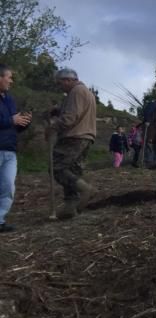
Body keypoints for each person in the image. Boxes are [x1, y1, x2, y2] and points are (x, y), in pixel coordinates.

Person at [49, 68, 97, 219]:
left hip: (74, 136)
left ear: (68, 80)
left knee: (57, 168)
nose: (59, 86)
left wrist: (52, 126)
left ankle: (85, 189)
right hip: (86, 136)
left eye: (60, 83)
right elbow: (75, 111)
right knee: (73, 171)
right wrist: (59, 110)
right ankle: (71, 206)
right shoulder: (86, 92)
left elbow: (70, 118)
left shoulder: (76, 92)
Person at [0, 63, 32, 232]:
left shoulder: (9, 99)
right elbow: (8, 122)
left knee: (8, 186)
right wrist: (11, 121)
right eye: (9, 77)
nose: (11, 81)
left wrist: (24, 122)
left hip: (10, 150)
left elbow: (14, 125)